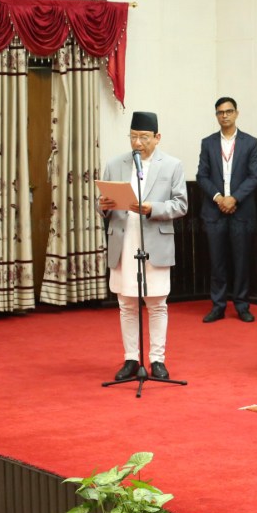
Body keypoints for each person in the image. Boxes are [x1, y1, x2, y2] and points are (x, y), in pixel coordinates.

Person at [98, 111, 188, 382]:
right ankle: (131, 358)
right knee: (126, 304)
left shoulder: (172, 165)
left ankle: (157, 359)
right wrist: (102, 206)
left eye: (144, 138)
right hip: (124, 241)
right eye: (133, 137)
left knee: (157, 303)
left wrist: (153, 208)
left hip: (155, 241)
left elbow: (181, 204)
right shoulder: (114, 164)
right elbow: (103, 203)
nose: (137, 143)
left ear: (157, 137)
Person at [197, 96, 257, 323]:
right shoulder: (207, 143)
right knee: (217, 261)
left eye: (228, 111)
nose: (224, 116)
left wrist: (234, 198)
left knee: (242, 260)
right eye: (220, 112)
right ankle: (218, 305)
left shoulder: (250, 142)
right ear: (216, 115)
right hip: (214, 211)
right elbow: (201, 176)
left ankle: (242, 305)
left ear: (236, 113)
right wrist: (219, 198)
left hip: (241, 211)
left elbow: (254, 176)